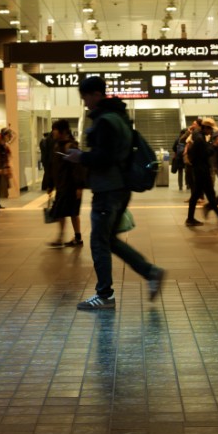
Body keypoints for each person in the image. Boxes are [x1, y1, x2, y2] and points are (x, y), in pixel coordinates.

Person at [65, 76, 164, 310]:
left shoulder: (106, 121)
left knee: (99, 241)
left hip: (107, 189)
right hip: (120, 187)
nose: (86, 103)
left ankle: (105, 295)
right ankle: (150, 272)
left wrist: (81, 157)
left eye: (86, 97)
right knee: (108, 239)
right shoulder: (120, 118)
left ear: (97, 94)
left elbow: (105, 157)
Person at [46, 119, 84, 248]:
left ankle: (76, 237)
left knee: (73, 212)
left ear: (62, 131)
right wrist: (51, 184)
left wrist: (79, 186)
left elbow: (78, 167)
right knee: (61, 212)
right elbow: (53, 167)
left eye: (54, 130)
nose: (53, 133)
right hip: (61, 186)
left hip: (71, 186)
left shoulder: (71, 146)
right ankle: (62, 237)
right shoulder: (57, 146)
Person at [186, 118, 218, 226]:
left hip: (199, 169)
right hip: (201, 170)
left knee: (201, 194)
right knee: (208, 194)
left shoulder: (198, 135)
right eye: (210, 129)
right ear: (205, 128)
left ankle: (191, 218)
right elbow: (206, 153)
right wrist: (214, 145)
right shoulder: (200, 138)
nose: (211, 132)